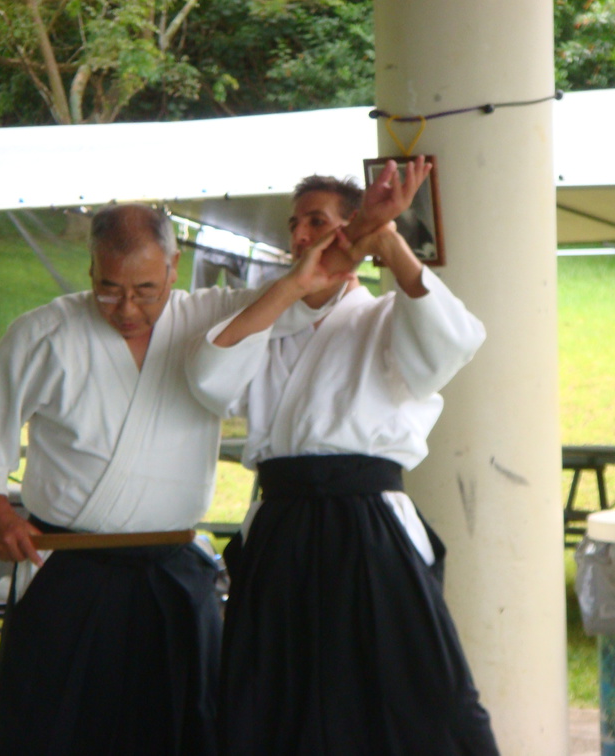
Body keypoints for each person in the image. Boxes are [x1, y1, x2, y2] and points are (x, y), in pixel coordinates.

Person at [0, 167, 423, 756]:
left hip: (172, 571)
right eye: (109, 288)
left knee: (177, 732)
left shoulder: (211, 315)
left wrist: (365, 235)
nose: (126, 307)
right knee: (52, 727)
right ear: (90, 270)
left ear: (174, 269)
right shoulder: (47, 331)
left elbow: (304, 294)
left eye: (145, 289)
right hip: (67, 569)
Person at [185, 172, 501, 755]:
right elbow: (208, 379)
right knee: (274, 694)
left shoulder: (384, 315)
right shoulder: (270, 322)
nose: (302, 235)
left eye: (318, 222)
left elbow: (455, 341)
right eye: (296, 224)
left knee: (418, 692)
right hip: (281, 521)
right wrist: (288, 290)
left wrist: (386, 240)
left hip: (368, 524)